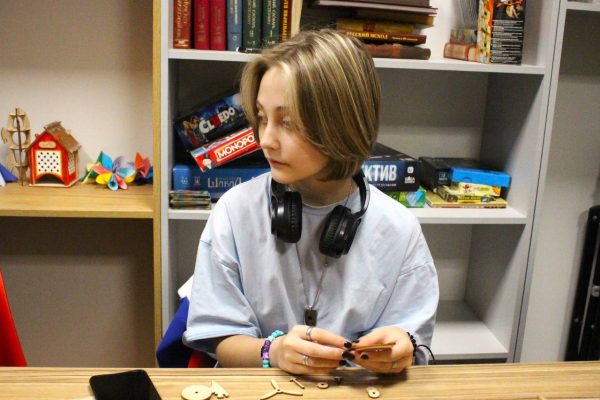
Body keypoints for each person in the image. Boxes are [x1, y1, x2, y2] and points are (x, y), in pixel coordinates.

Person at [184, 29, 438, 375]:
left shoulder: (399, 228)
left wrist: (400, 347)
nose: (266, 140)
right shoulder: (234, 212)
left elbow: (413, 343)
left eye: (287, 122)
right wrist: (273, 352)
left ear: (342, 124)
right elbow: (219, 337)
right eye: (262, 117)